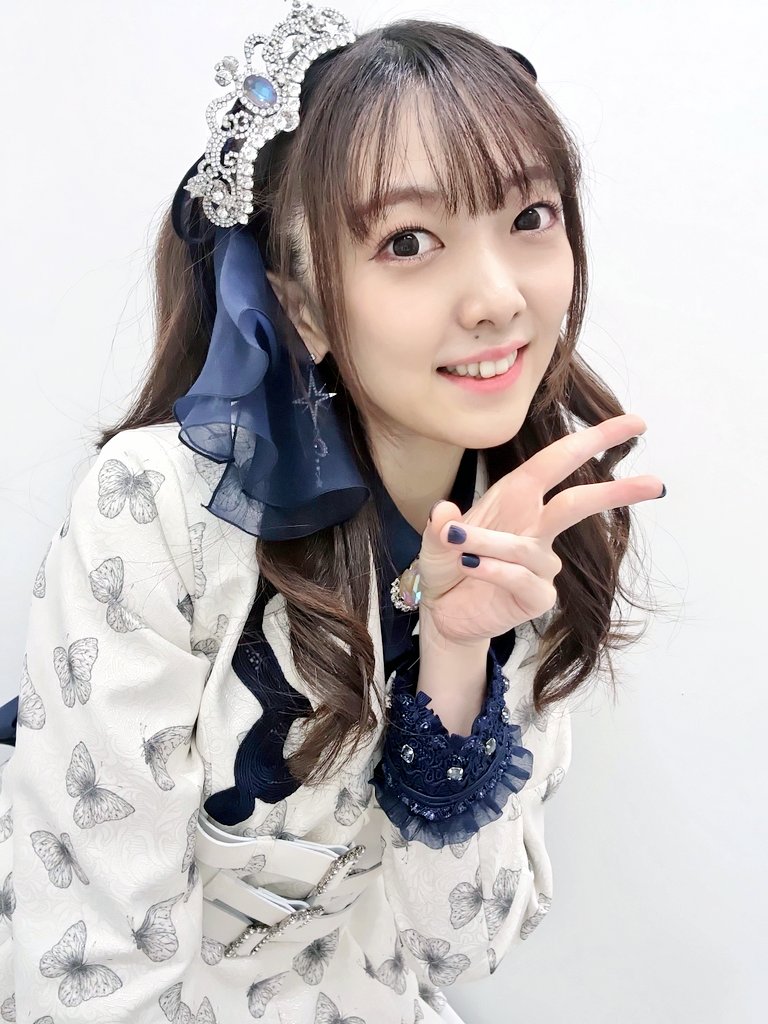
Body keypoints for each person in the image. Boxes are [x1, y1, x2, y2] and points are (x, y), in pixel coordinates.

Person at [0, 4, 666, 1022]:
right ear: (300, 303)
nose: (496, 297)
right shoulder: (160, 509)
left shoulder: (533, 528)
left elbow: (460, 944)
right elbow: (87, 961)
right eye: (410, 240)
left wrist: (459, 656)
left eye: (530, 217)